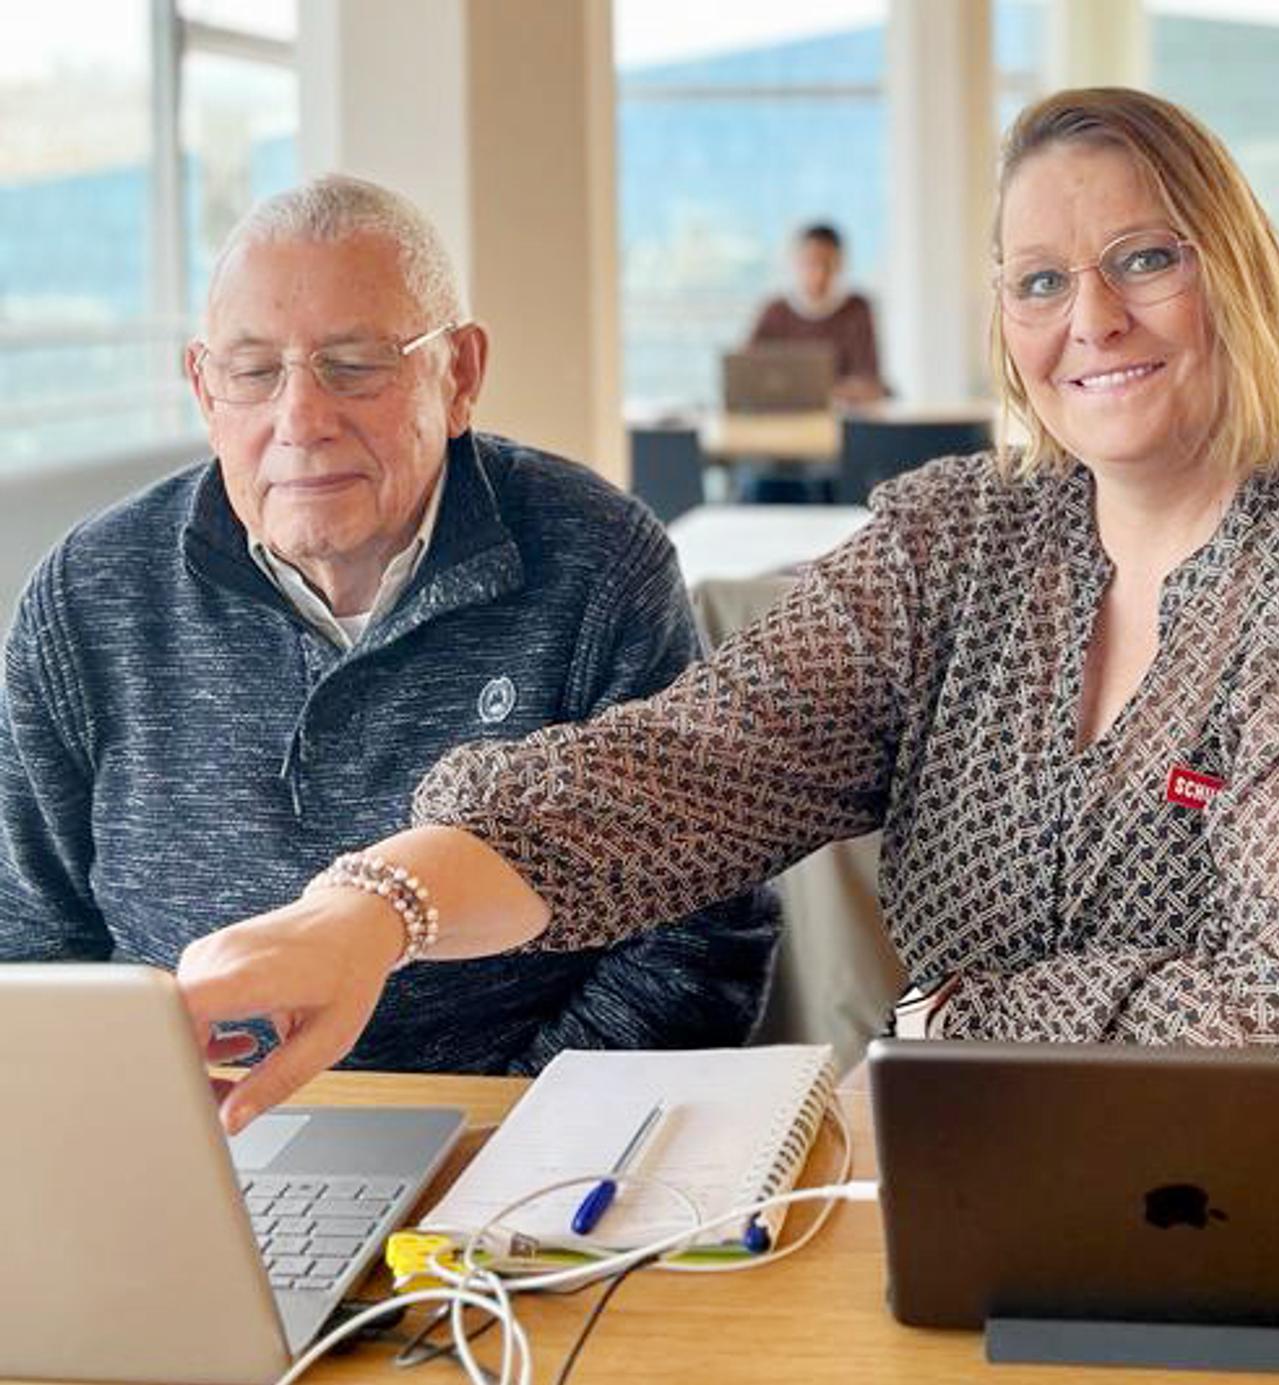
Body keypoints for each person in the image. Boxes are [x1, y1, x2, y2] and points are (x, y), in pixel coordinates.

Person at [178, 90, 1279, 1133]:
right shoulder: (958, 541)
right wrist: (365, 913)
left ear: (1238, 276)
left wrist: (968, 1014)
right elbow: (679, 771)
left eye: (1143, 261)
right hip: (1087, 1198)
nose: (1093, 321)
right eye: (1039, 281)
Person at [0, 174, 777, 1074]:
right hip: (194, 1131)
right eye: (253, 372)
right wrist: (155, 1123)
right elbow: (27, 940)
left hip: (510, 1144)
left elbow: (699, 929)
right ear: (204, 390)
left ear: (461, 375)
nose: (301, 420)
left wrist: (510, 1129)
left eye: (355, 364)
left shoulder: (597, 562)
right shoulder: (91, 592)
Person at [746, 222, 886, 405]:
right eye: (810, 263)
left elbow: (868, 381)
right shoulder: (775, 311)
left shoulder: (857, 309)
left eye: (827, 264)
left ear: (840, 264)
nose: (819, 273)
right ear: (795, 262)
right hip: (783, 416)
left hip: (841, 418)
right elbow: (746, 374)